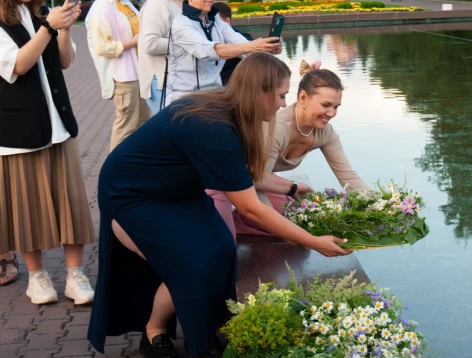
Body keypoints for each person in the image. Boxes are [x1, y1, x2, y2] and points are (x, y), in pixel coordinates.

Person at [87, 53, 351, 358]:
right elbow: (250, 208)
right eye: (280, 95)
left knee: (223, 249)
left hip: (178, 191)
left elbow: (250, 177)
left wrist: (292, 189)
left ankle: (209, 329)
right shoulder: (213, 126)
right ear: (259, 92)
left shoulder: (232, 113)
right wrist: (312, 241)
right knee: (190, 260)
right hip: (134, 193)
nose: (282, 104)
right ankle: (157, 333)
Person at [0, 0, 96, 303]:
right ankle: (37, 277)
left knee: (70, 201)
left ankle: (75, 275)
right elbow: (20, 65)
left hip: (58, 123)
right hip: (19, 131)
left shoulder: (37, 14)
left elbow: (65, 61)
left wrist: (65, 29)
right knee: (28, 207)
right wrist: (48, 27)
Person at [210, 61, 369, 240]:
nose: (332, 113)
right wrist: (278, 225)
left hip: (257, 178)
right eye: (326, 105)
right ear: (303, 98)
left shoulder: (325, 133)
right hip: (222, 179)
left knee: (298, 218)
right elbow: (255, 180)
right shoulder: (277, 128)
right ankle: (233, 221)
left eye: (336, 107)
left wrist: (382, 207)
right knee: (276, 227)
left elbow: (348, 176)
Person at [164, 0, 281, 106]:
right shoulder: (180, 25)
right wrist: (252, 46)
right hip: (185, 103)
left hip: (213, 98)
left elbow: (241, 44)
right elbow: (209, 51)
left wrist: (266, 48)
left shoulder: (216, 21)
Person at [86, 0, 151, 151]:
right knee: (126, 127)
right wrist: (132, 43)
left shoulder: (122, 2)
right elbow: (102, 47)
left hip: (137, 71)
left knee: (143, 122)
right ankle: (116, 170)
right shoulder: (101, 9)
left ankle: (137, 165)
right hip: (122, 75)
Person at [138, 0, 197, 115]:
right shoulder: (158, 2)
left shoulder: (183, 3)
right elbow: (150, 44)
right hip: (162, 82)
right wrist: (190, 44)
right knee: (170, 136)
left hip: (180, 81)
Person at [212, 1, 253, 86]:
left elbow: (254, 57)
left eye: (217, 22)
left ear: (227, 21)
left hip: (232, 88)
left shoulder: (243, 37)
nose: (213, 25)